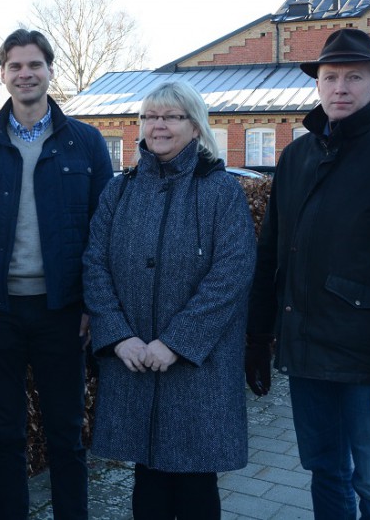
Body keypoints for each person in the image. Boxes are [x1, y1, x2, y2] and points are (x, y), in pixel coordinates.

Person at [246, 28, 370, 519]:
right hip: (307, 351)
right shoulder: (296, 157)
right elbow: (272, 253)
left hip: (369, 360)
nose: (340, 87)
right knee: (325, 472)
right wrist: (258, 334)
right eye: (330, 76)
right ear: (317, 84)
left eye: (353, 77)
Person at [83, 81, 256, 519]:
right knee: (148, 480)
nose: (157, 125)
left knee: (196, 481)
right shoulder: (119, 191)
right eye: (149, 116)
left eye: (170, 116)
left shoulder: (221, 192)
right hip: (135, 358)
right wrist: (119, 337)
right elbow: (95, 264)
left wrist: (176, 343)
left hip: (198, 368)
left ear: (195, 127)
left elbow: (230, 278)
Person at [0, 28, 113, 519]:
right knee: (5, 434)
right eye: (15, 66)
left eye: (34, 65)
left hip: (61, 310)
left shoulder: (85, 143)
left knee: (66, 435)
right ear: (2, 75)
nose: (25, 74)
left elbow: (102, 231)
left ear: (50, 71)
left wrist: (93, 304)